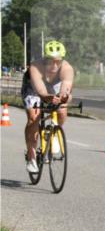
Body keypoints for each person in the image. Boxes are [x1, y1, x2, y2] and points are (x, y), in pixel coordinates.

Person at [22, 40, 75, 174]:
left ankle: (56, 132)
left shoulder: (67, 68)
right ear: (45, 59)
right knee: (34, 117)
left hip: (53, 85)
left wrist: (63, 97)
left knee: (62, 109)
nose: (54, 65)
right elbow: (40, 90)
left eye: (58, 61)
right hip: (33, 87)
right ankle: (31, 157)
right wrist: (47, 97)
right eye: (51, 61)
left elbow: (66, 86)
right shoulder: (35, 66)